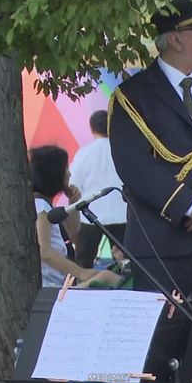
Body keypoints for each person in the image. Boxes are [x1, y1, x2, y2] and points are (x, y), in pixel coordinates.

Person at [109, 0, 192, 383]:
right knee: (151, 346)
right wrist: (190, 207)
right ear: (175, 38)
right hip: (161, 241)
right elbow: (135, 166)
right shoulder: (134, 96)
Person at [29, 146, 120, 288]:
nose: (70, 174)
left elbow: (72, 233)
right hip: (50, 287)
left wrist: (73, 203)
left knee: (108, 276)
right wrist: (81, 272)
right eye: (66, 168)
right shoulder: (40, 206)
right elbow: (44, 251)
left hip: (58, 283)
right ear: (54, 173)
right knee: (108, 277)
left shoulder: (45, 205)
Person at [69, 110, 127, 268]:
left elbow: (73, 183)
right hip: (122, 215)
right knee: (126, 263)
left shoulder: (85, 153)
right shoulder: (123, 150)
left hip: (91, 215)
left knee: (83, 263)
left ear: (92, 128)